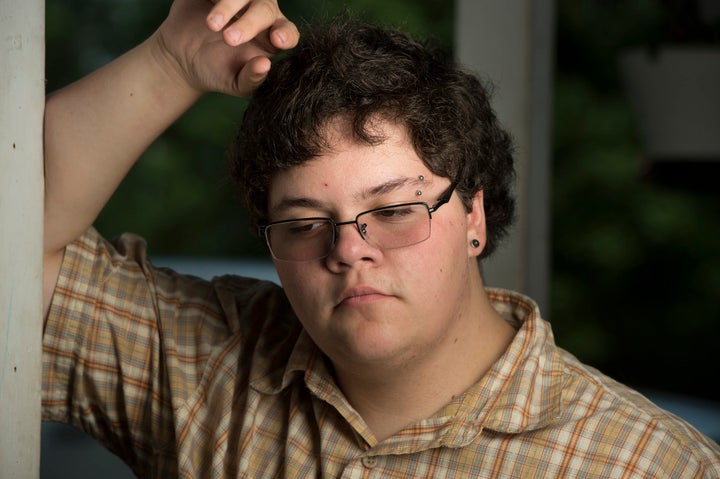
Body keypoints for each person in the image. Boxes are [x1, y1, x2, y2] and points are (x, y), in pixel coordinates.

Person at [42, 0, 720, 477]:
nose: (347, 250)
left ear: (474, 217)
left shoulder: (650, 465)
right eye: (305, 223)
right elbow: (15, 246)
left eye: (394, 210)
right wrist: (169, 62)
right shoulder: (200, 369)